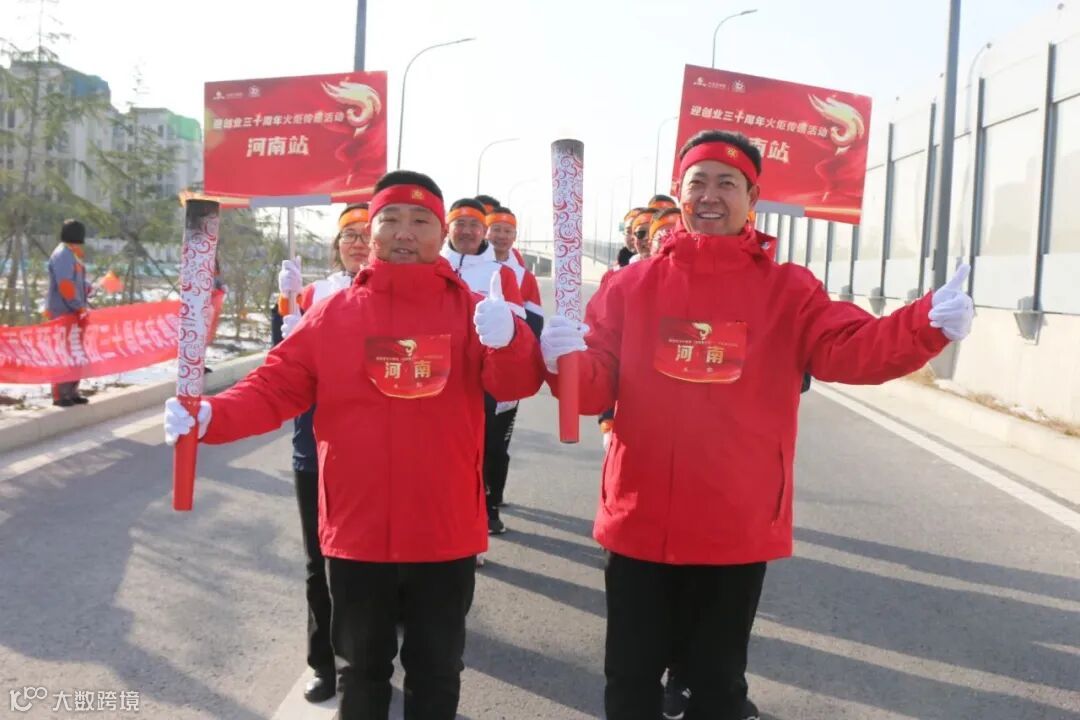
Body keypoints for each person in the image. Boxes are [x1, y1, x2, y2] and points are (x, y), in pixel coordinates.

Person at [539, 130, 974, 720]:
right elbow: (593, 388)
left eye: (727, 183)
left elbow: (852, 349)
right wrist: (562, 360)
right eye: (698, 182)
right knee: (630, 680)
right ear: (679, 192)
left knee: (717, 686)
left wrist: (925, 323)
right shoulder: (630, 286)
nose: (710, 195)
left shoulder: (787, 290)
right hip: (641, 515)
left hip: (734, 521)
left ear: (752, 197)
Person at [165, 170, 544, 720]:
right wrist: (211, 416)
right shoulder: (334, 314)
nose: (405, 232)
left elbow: (516, 383)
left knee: (437, 671)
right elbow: (275, 386)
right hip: (357, 531)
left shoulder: (473, 310)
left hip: (443, 529)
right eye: (391, 219)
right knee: (360, 673)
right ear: (372, 231)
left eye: (421, 221)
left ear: (440, 232)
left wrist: (510, 340)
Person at [273, 202, 371, 704]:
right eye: (349, 235)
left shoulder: (390, 298)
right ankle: (324, 664)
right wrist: (284, 312)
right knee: (318, 562)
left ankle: (365, 661)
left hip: (369, 450)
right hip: (313, 447)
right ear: (337, 245)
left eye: (366, 233)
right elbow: (278, 369)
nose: (358, 242)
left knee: (364, 563)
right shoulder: (310, 295)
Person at [439, 198, 528, 535]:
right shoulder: (434, 265)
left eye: (474, 225)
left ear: (483, 231)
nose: (467, 231)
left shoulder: (502, 273)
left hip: (487, 378)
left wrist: (502, 325)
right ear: (447, 228)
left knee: (489, 448)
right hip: (440, 377)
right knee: (447, 451)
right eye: (460, 224)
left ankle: (486, 511)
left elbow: (520, 326)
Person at [482, 205, 543, 512]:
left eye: (508, 231)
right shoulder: (468, 268)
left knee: (497, 442)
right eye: (496, 230)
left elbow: (535, 324)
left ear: (515, 236)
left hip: (507, 369)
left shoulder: (522, 276)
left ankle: (493, 501)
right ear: (485, 232)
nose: (501, 236)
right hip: (472, 372)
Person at [46, 219, 91, 407]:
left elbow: (76, 282)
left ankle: (72, 391)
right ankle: (60, 394)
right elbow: (65, 286)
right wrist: (78, 305)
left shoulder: (72, 254)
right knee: (63, 353)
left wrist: (88, 288)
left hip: (75, 312)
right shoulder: (62, 255)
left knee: (75, 352)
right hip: (63, 312)